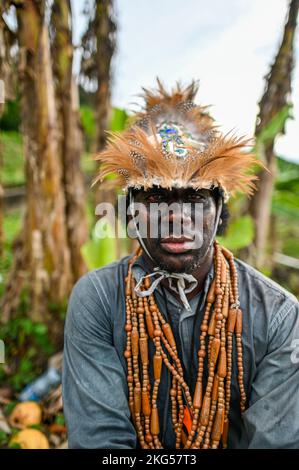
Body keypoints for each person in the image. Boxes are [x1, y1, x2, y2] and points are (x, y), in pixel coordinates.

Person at [62, 80, 299, 449]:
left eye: (195, 197)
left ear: (221, 215)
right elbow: (101, 444)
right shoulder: (98, 300)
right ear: (132, 214)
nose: (175, 216)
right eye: (156, 197)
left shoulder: (280, 316)